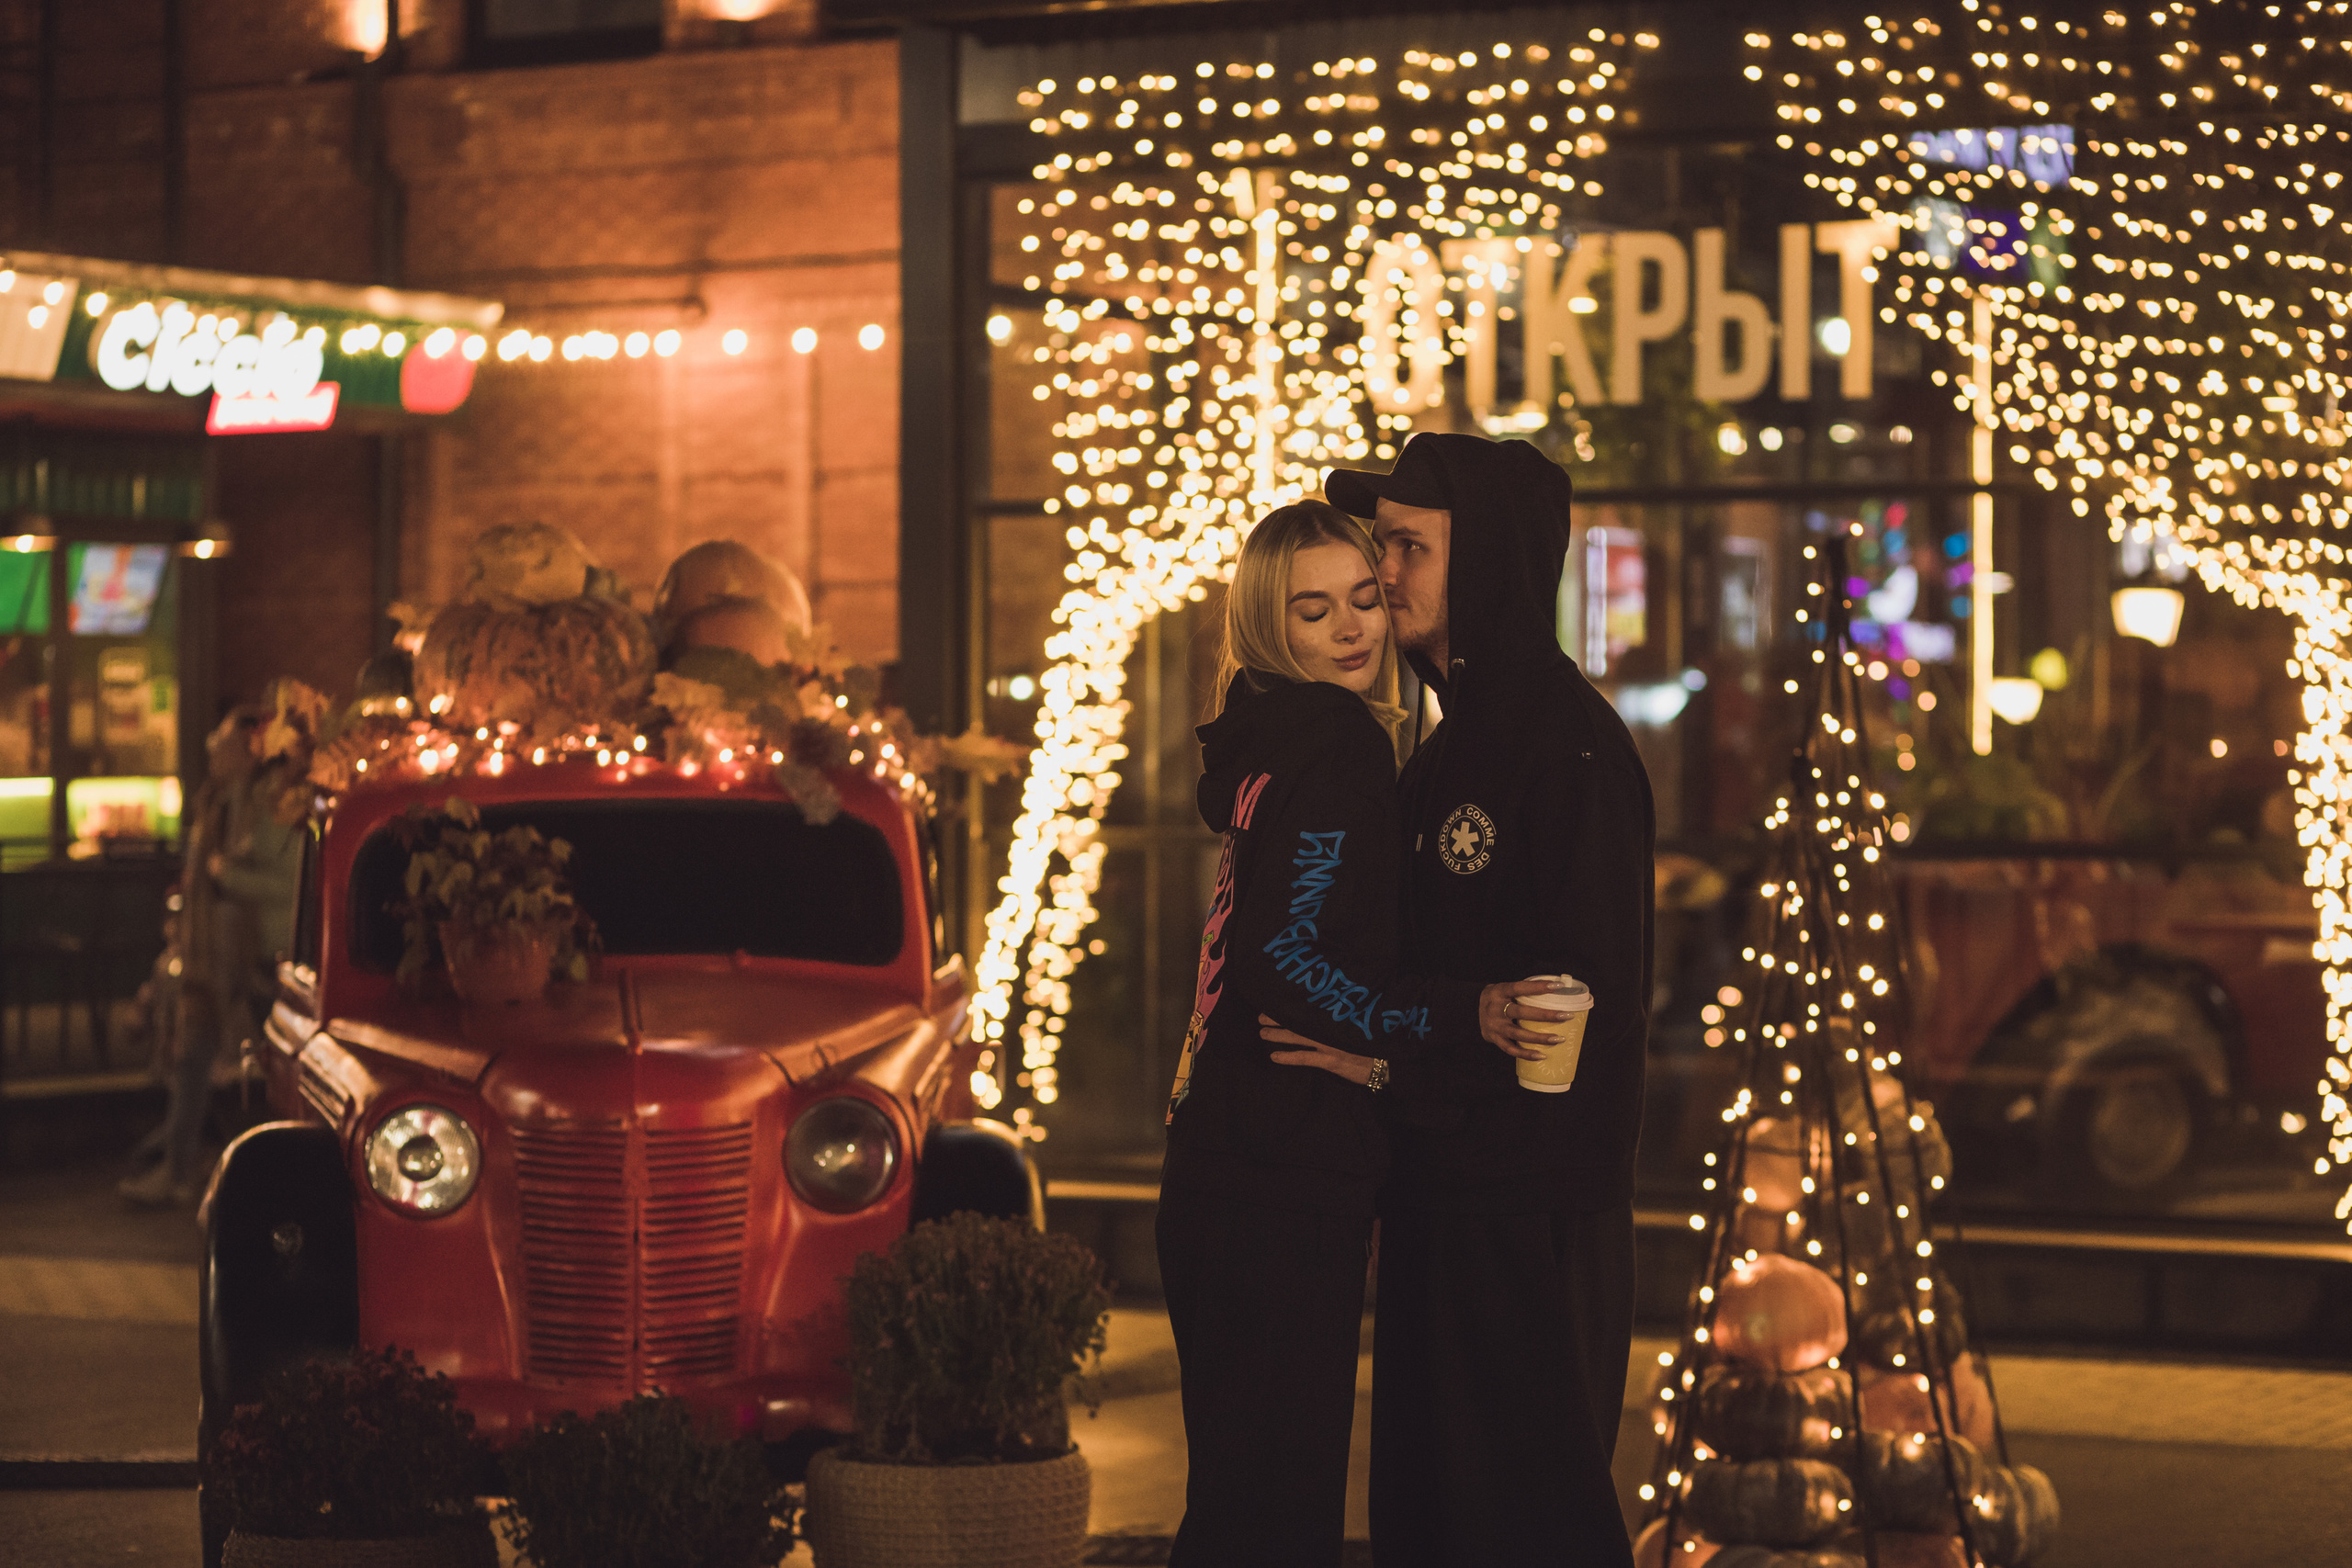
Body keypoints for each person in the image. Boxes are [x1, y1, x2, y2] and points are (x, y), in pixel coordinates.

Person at [1268, 432, 1656, 1566]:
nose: (1382, 574)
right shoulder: (1440, 753)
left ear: (1484, 560)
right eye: (1380, 545)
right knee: (1436, 1519)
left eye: (1407, 547)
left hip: (1531, 1218)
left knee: (1531, 1518)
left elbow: (1580, 1008)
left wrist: (1399, 1059)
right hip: (1442, 1205)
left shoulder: (1568, 751)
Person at [1156, 500, 1559, 1568]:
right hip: (1277, 1173)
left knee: (1240, 1506)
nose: (1353, 629)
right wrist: (1446, 1016)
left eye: (1366, 599)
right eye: (1314, 610)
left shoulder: (1270, 742)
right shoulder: (1334, 741)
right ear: (1265, 629)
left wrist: (1368, 1044)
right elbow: (1279, 961)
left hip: (1221, 1160)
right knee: (1273, 1518)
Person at [119, 706, 302, 1207]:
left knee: (284, 1073)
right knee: (194, 1060)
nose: (211, 754)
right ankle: (179, 1170)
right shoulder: (219, 801)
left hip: (257, 958)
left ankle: (273, 1179)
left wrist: (226, 876)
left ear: (248, 749)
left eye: (220, 744)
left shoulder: (270, 806)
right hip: (213, 958)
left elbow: (288, 887)